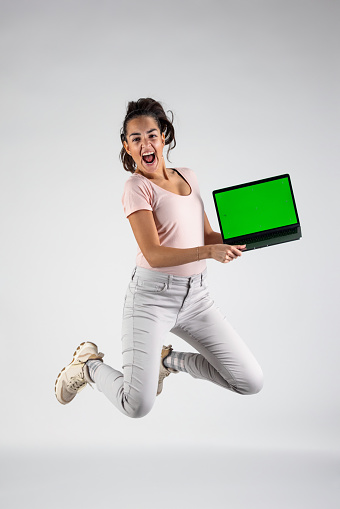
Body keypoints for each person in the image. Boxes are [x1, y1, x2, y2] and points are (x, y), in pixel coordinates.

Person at [55, 98, 263, 417]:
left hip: (196, 297)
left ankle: (168, 361)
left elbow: (206, 235)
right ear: (127, 147)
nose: (145, 144)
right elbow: (153, 254)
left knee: (249, 381)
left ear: (163, 135)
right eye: (135, 139)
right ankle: (88, 367)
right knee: (136, 405)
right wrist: (210, 252)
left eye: (151, 135)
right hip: (152, 298)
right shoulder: (136, 187)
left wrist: (250, 236)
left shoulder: (188, 177)